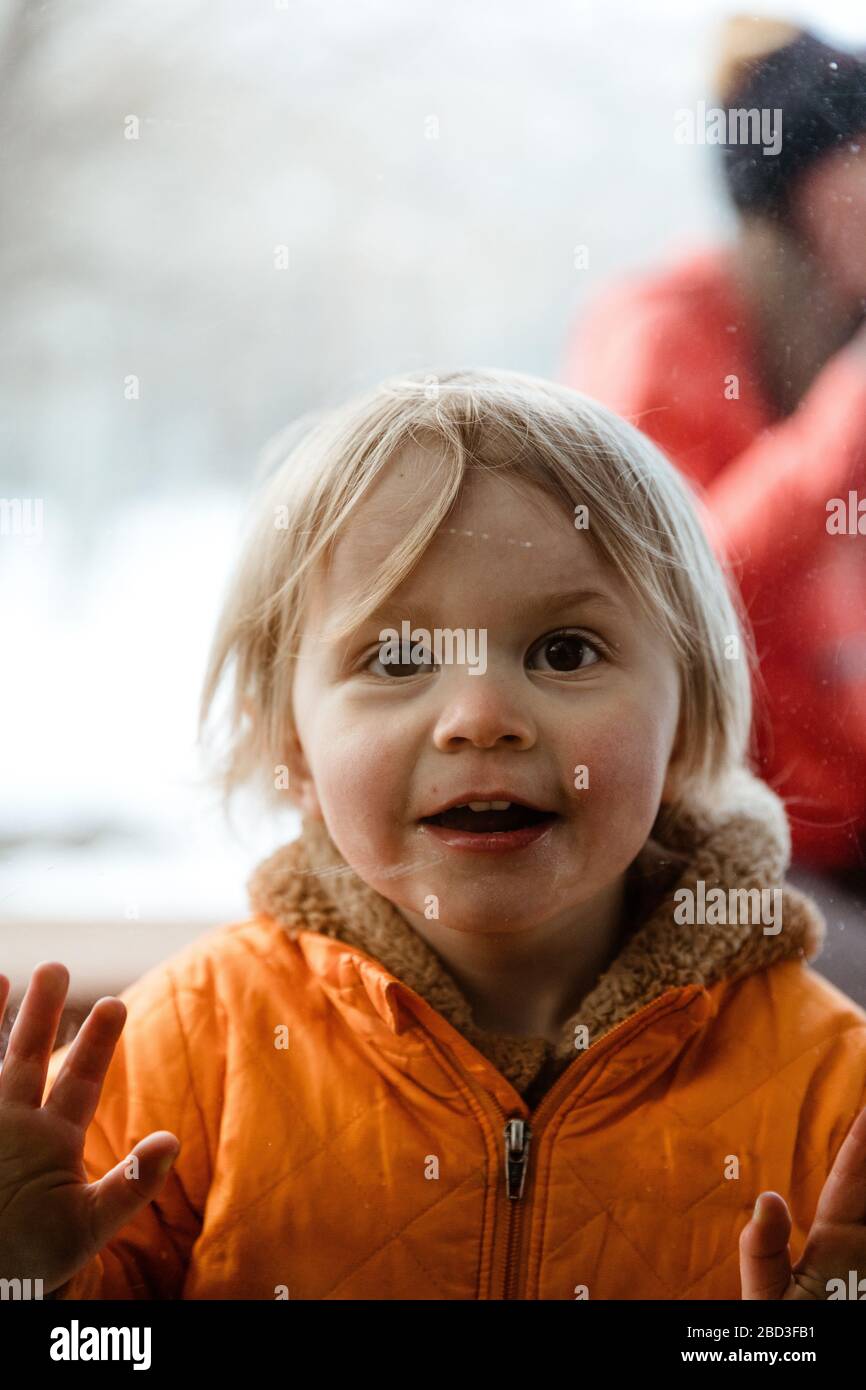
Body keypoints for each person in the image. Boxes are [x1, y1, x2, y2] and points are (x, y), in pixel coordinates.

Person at [1, 368, 866, 1300]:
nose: (483, 717)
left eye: (565, 652)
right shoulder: (186, 1050)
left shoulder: (832, 1091)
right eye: (400, 657)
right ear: (293, 739)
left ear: (688, 717)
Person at [560, 18, 866, 882]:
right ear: (802, 191)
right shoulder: (659, 332)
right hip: (719, 839)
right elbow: (662, 595)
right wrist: (846, 421)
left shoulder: (830, 337)